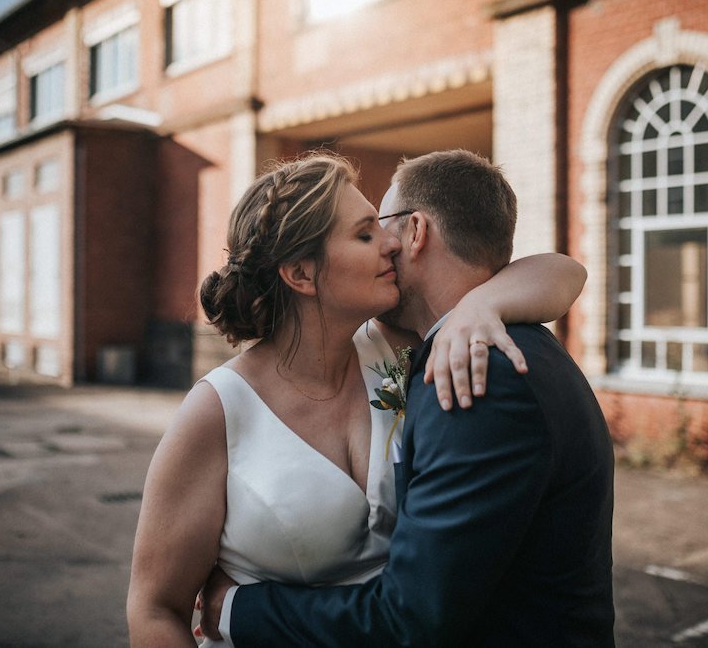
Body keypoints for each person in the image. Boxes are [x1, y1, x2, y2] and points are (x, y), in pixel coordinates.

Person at [126, 152, 588, 646]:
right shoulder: (216, 412)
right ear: (302, 275)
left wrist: (482, 302)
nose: (393, 242)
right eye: (366, 234)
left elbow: (565, 273)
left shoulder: (398, 349)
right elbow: (155, 610)